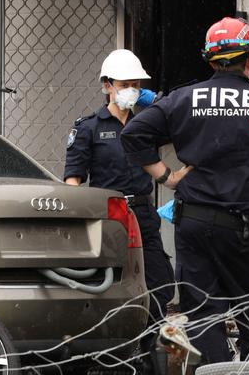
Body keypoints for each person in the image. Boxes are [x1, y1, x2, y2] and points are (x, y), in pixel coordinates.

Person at [122, 16, 249, 366]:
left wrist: (167, 176)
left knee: (202, 315)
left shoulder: (184, 98)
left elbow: (133, 135)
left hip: (194, 225)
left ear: (212, 61)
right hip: (242, 229)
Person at [63, 48, 174, 372]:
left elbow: (178, 123)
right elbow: (73, 181)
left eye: (137, 84)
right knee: (110, 287)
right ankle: (111, 357)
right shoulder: (89, 128)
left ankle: (146, 348)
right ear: (107, 85)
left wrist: (158, 104)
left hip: (142, 213)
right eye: (126, 84)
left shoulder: (147, 123)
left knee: (160, 282)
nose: (132, 90)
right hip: (107, 218)